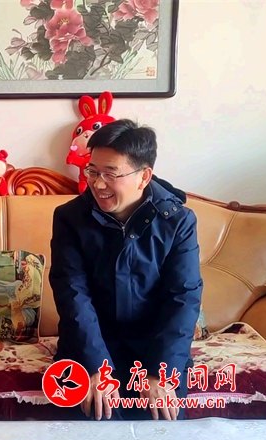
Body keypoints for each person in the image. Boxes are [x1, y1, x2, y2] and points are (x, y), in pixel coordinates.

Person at [49, 119, 203, 421]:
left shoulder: (178, 221)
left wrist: (162, 372)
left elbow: (183, 298)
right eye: (93, 171)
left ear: (144, 176)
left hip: (155, 347)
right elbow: (73, 296)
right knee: (94, 418)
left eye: (110, 174)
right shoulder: (70, 218)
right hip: (90, 346)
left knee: (161, 425)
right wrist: (96, 367)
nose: (98, 184)